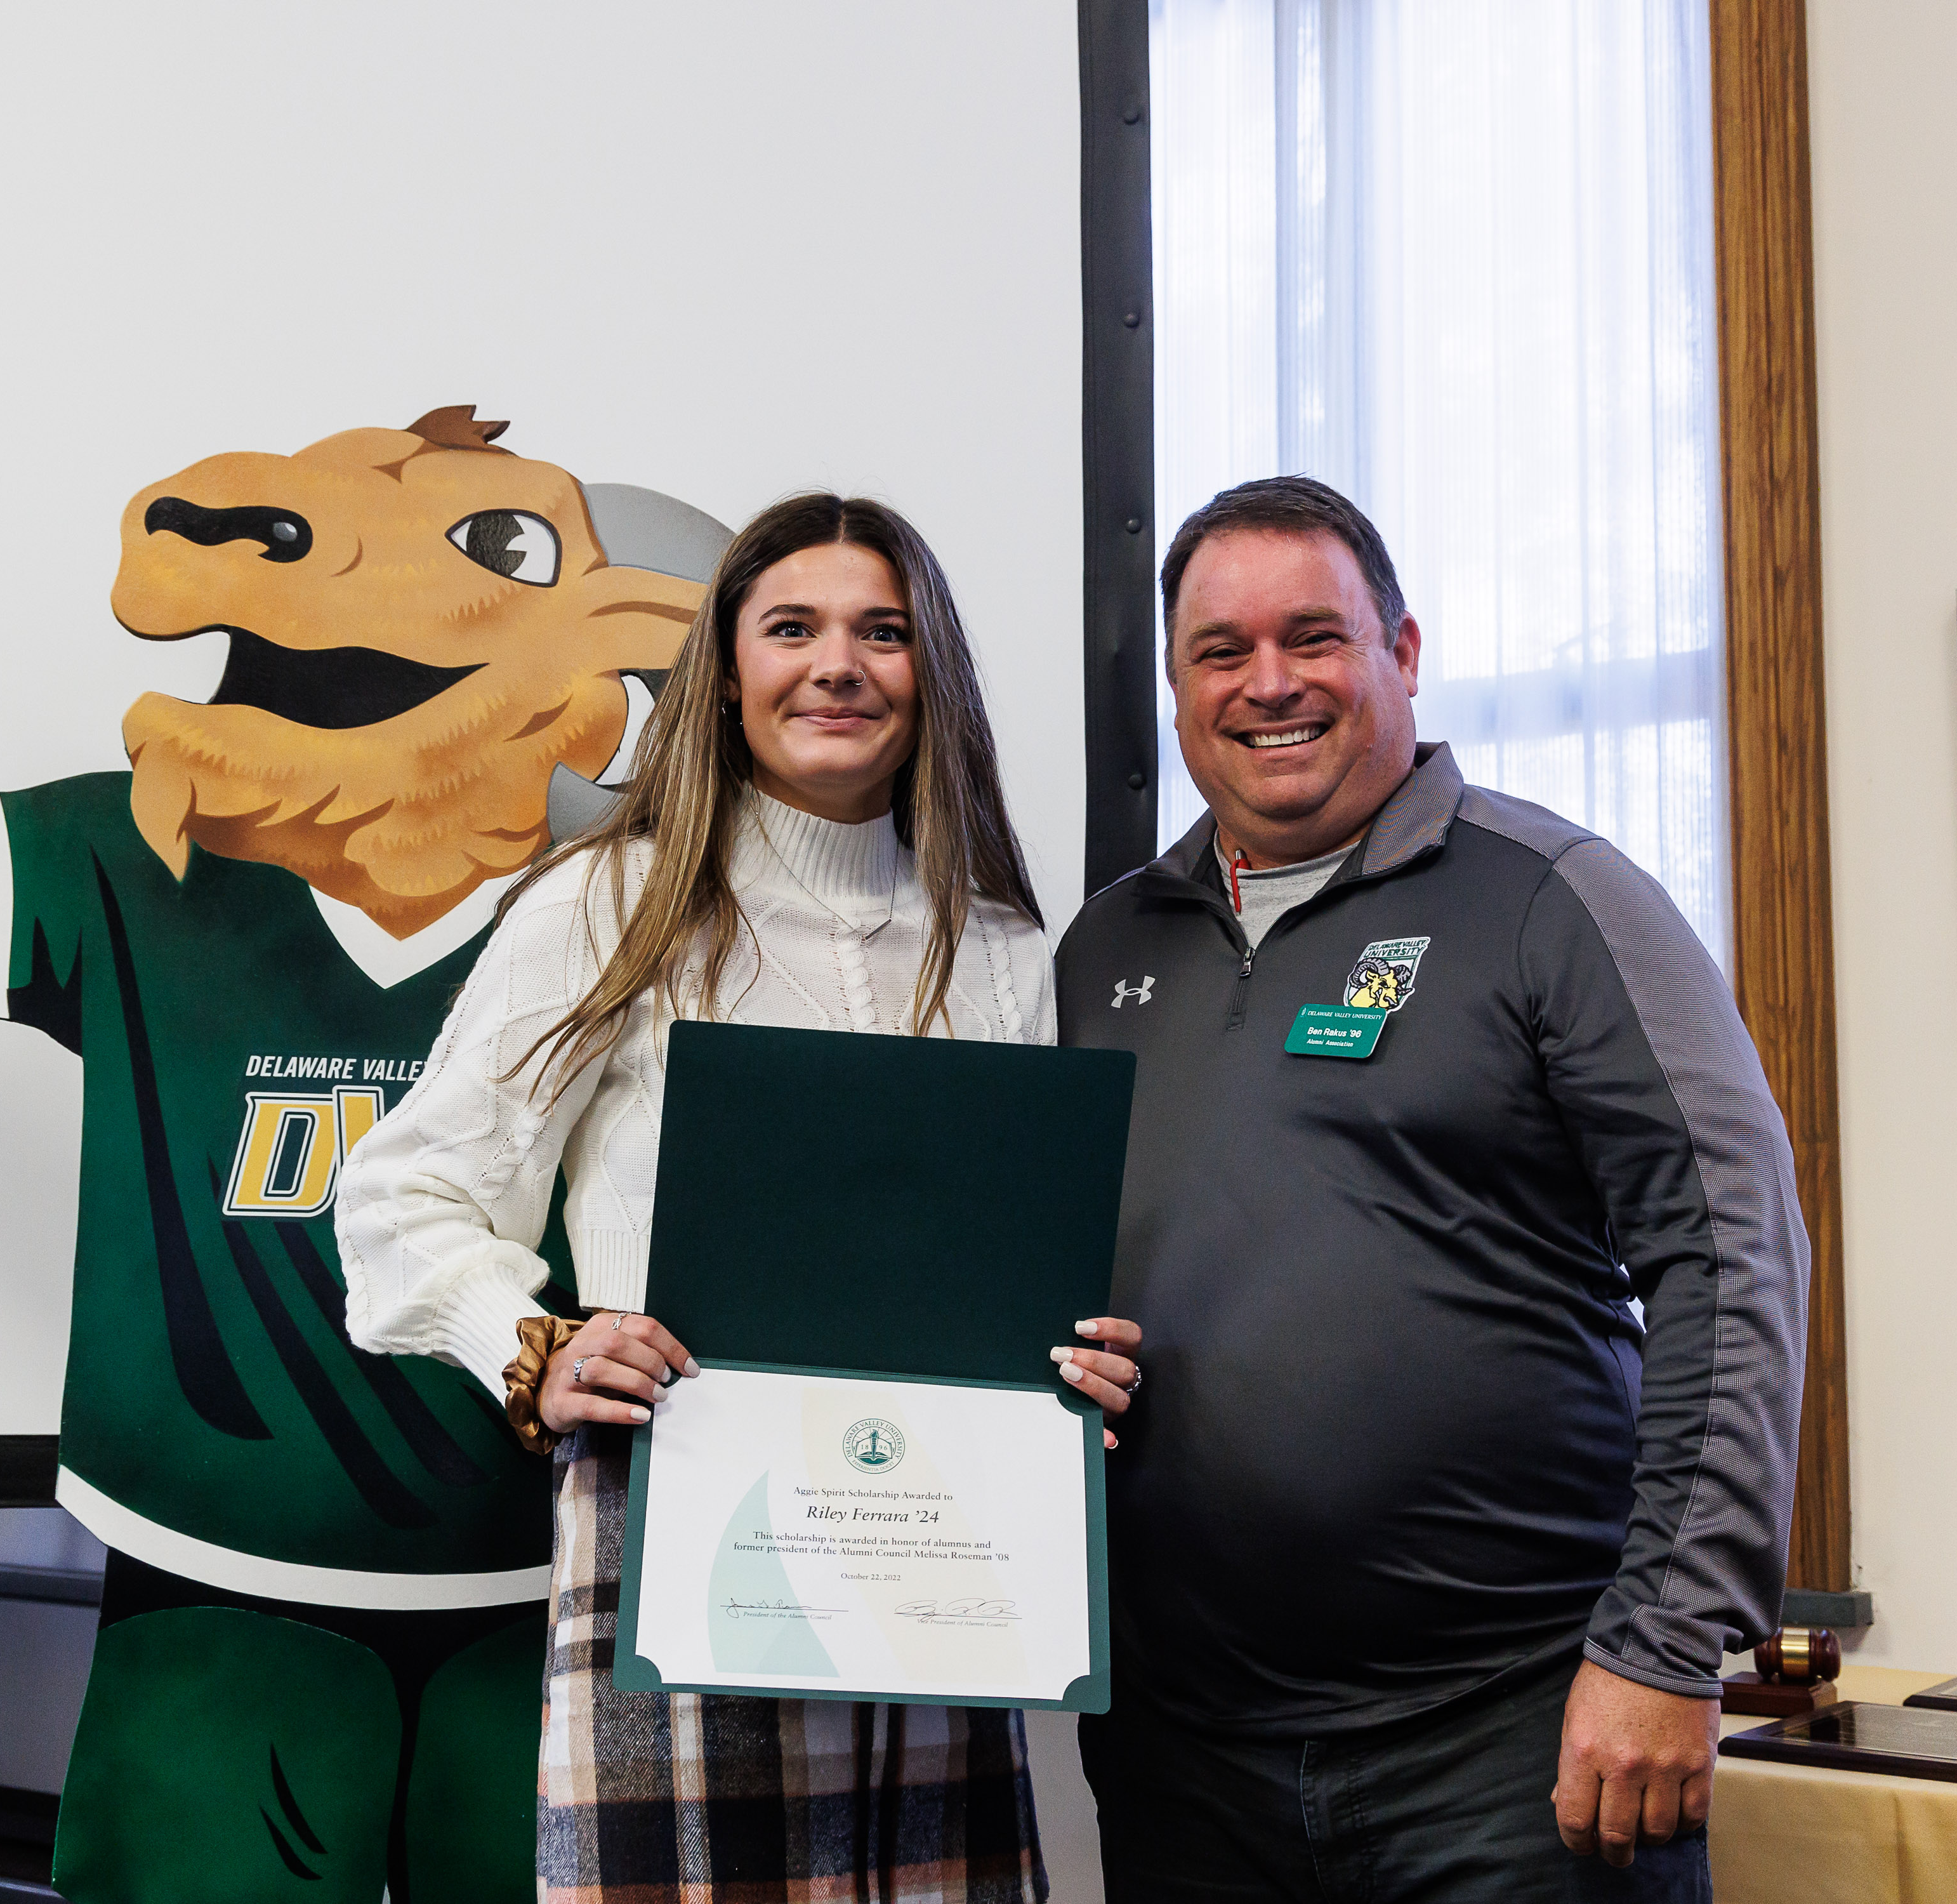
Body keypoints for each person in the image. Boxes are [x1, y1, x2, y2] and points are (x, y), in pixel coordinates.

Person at [333, 492, 1140, 1903]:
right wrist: (534, 1348)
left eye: (882, 632)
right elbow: (405, 1195)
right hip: (687, 1541)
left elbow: (1015, 1257)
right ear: (725, 671)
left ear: (931, 674)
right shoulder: (613, 902)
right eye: (792, 629)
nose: (838, 666)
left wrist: (1077, 1366)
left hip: (940, 1556)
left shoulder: (1006, 944)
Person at [1060, 476, 1808, 1901]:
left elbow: (1735, 1260)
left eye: (1313, 637)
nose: (1268, 683)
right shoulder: (1106, 950)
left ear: (1400, 654)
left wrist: (1665, 1645)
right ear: (1178, 686)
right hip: (1184, 1759)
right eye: (1221, 651)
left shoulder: (1556, 899)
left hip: (1515, 1741)